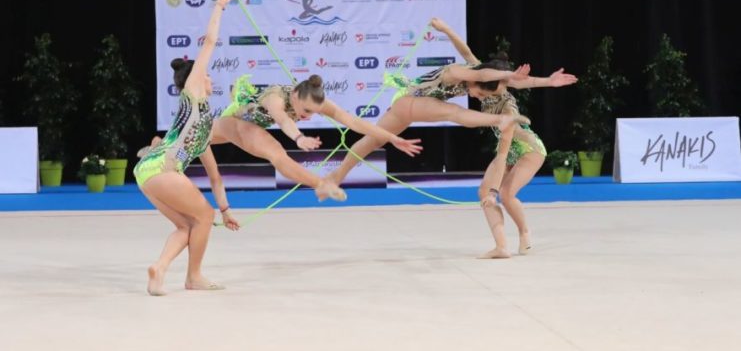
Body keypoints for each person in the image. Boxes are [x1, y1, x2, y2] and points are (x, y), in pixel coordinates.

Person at [428, 17, 577, 258]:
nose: (471, 93)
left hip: (529, 149)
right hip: (509, 149)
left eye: (475, 92)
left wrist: (494, 191)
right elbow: (466, 52)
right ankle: (501, 247)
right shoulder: (484, 78)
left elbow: (503, 152)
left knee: (505, 195)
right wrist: (445, 29)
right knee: (483, 193)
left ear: (489, 89)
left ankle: (524, 231)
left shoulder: (507, 111)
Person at [326, 22, 531, 188]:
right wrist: (509, 74)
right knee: (453, 112)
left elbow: (468, 52)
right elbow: (482, 75)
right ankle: (499, 120)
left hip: (408, 104)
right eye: (481, 93)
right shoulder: (457, 72)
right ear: (477, 81)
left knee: (373, 140)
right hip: (410, 101)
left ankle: (337, 175)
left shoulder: (475, 70)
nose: (479, 98)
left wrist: (545, 81)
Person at [133, 0, 240, 296]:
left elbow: (215, 177)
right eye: (207, 75)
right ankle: (193, 277)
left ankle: (159, 268)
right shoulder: (193, 93)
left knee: (188, 225)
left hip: (147, 170)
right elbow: (209, 42)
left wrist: (226, 210)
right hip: (164, 166)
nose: (211, 80)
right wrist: (219, 7)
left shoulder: (201, 130)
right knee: (203, 216)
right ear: (197, 77)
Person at [206, 73, 424, 200]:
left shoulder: (312, 100)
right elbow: (283, 120)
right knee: (276, 153)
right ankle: (321, 184)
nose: (309, 116)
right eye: (307, 111)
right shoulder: (275, 98)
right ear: (294, 96)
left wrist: (391, 137)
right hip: (233, 122)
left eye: (314, 112)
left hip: (246, 128)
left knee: (197, 142)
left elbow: (354, 122)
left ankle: (321, 184)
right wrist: (299, 138)